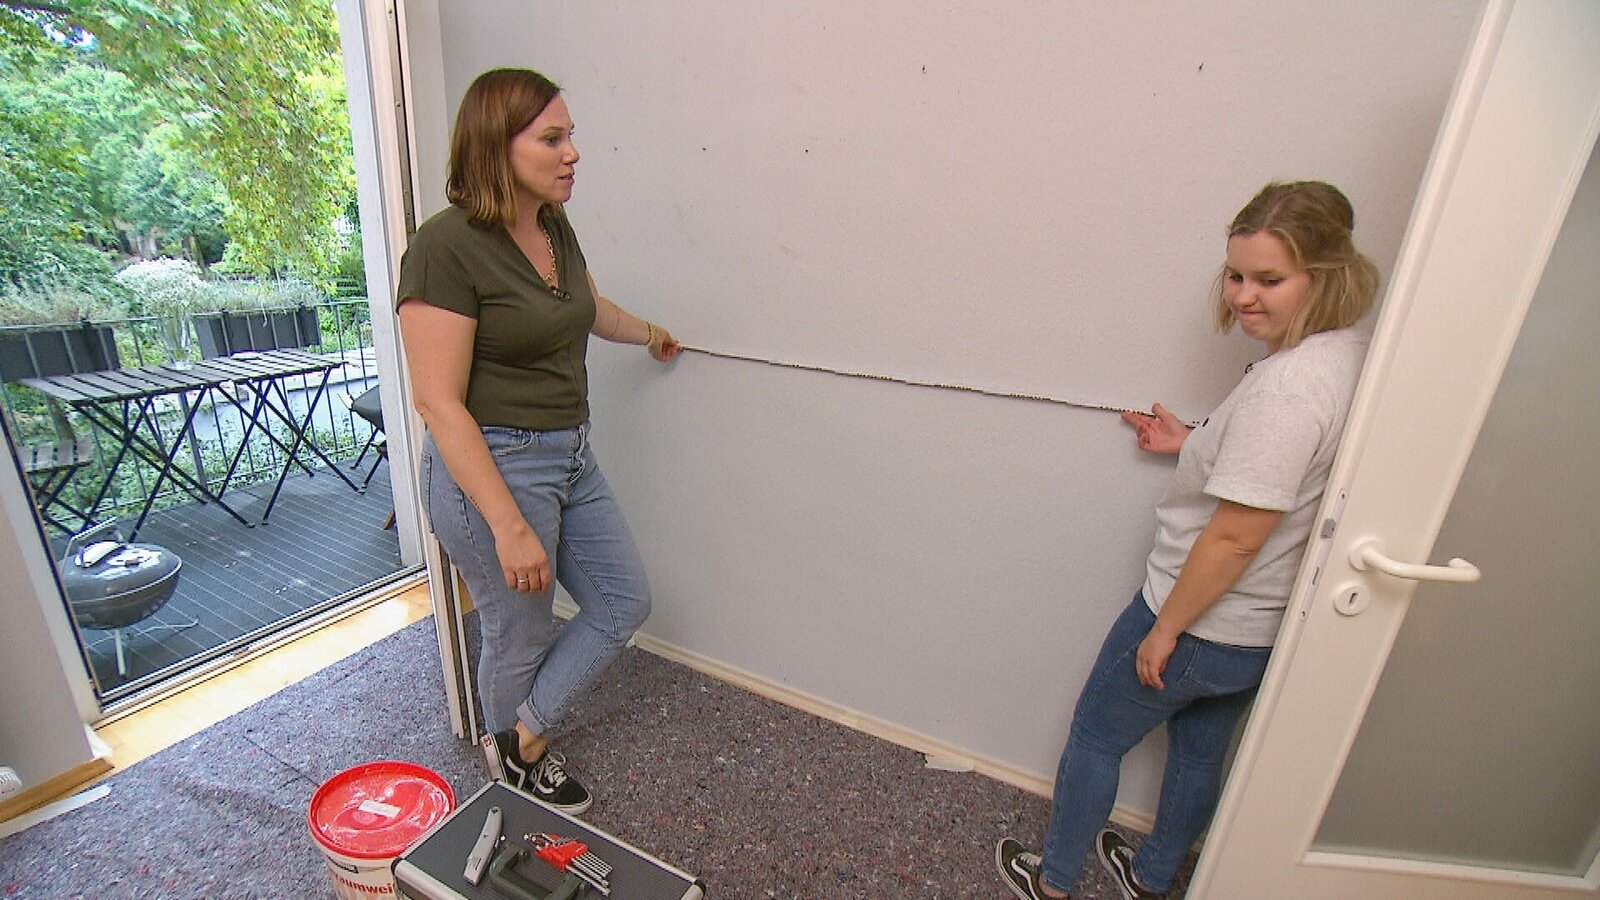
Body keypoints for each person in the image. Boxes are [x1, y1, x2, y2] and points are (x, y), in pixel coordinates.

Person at [996, 181, 1379, 899]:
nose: (1244, 297)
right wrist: (1196, 442)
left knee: (1097, 735)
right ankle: (1151, 877)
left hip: (1198, 616)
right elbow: (1287, 470)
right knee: (1201, 754)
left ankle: (1052, 882)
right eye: (1236, 275)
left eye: (1270, 280)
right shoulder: (1353, 356)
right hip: (1257, 630)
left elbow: (1234, 537)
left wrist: (1166, 628)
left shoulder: (1287, 388)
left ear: (1327, 275)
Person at [396, 67, 681, 815]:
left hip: (570, 454)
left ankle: (517, 736)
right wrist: (508, 524)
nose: (572, 153)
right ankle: (515, 761)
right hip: (495, 467)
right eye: (552, 139)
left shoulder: (551, 224)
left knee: (623, 601)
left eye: (570, 136)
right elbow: (437, 402)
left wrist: (648, 333)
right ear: (498, 145)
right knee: (518, 634)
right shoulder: (444, 248)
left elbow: (584, 306)